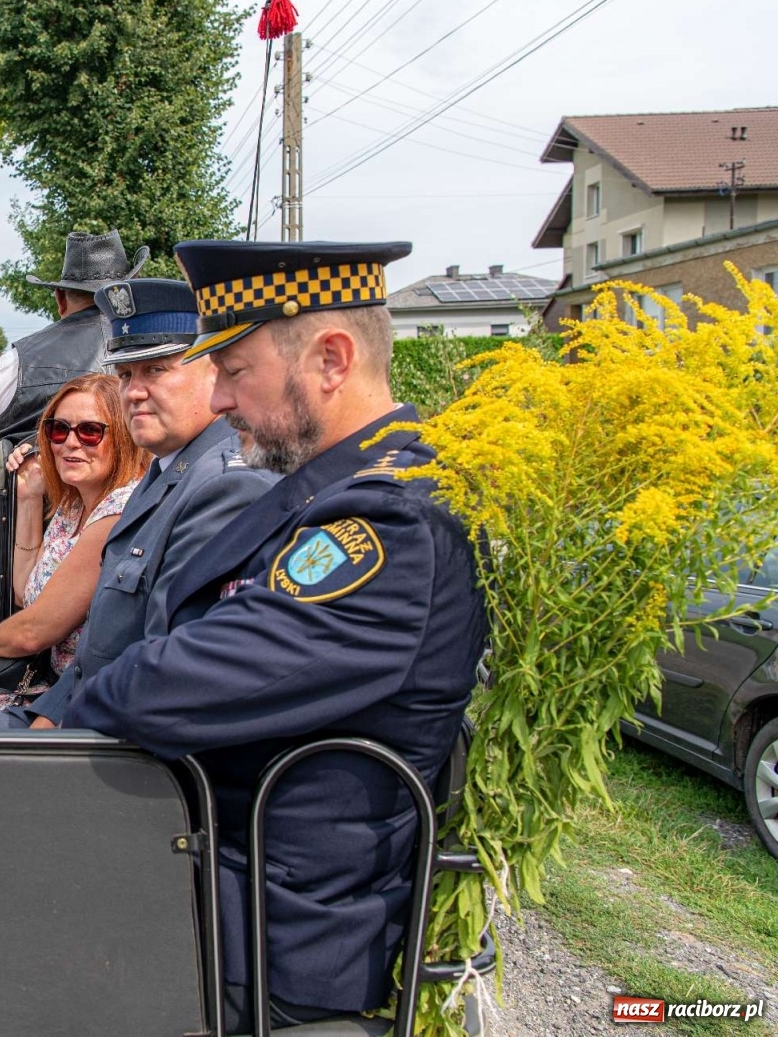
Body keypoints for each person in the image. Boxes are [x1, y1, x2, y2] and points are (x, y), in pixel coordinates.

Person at [64, 240, 488, 1031]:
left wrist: (89, 699)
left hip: (263, 930)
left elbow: (165, 687)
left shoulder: (391, 523)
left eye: (234, 370)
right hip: (218, 873)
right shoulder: (332, 491)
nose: (219, 398)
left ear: (332, 359)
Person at [0, 278, 279, 730]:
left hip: (121, 734)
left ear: (214, 372)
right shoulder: (166, 475)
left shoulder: (223, 485)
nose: (134, 392)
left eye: (156, 370)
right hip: (78, 702)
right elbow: (100, 643)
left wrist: (49, 732)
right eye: (125, 375)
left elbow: (171, 668)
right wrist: (51, 712)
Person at [0, 373, 148, 726]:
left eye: (90, 431)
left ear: (123, 437)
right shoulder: (74, 506)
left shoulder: (119, 510)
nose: (70, 443)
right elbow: (26, 593)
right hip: (47, 676)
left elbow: (35, 631)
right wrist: (28, 496)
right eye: (59, 430)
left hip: (82, 691)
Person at [0, 230, 148, 622]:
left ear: (60, 298)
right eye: (58, 432)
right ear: (126, 293)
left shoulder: (16, 360)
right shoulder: (148, 354)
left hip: (21, 560)